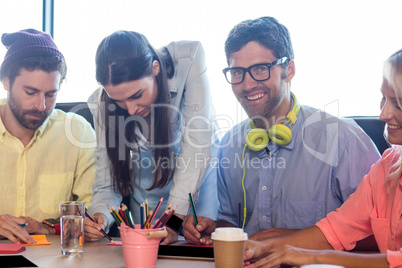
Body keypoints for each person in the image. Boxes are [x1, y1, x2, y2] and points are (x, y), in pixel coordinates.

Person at [183, 16, 380, 245]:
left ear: (289, 70)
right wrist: (215, 230)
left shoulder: (344, 141)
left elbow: (387, 234)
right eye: (237, 72)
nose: (247, 85)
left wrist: (300, 238)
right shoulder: (228, 145)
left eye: (260, 69)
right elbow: (233, 224)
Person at [243, 49, 402, 268]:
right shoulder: (388, 166)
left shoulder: (345, 140)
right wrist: (268, 247)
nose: (383, 114)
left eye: (397, 103)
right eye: (383, 99)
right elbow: (336, 229)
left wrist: (315, 257)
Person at [85, 31, 216, 245]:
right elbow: (107, 184)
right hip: (146, 205)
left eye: (136, 95)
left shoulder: (189, 59)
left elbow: (197, 149)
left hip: (196, 197)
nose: (131, 109)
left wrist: (172, 222)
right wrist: (100, 216)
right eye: (119, 101)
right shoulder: (102, 104)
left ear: (155, 68)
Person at [0, 29, 96, 243]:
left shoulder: (77, 133)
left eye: (51, 94)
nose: (41, 106)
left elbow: (94, 211)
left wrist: (48, 226)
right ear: (6, 81)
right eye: (31, 92)